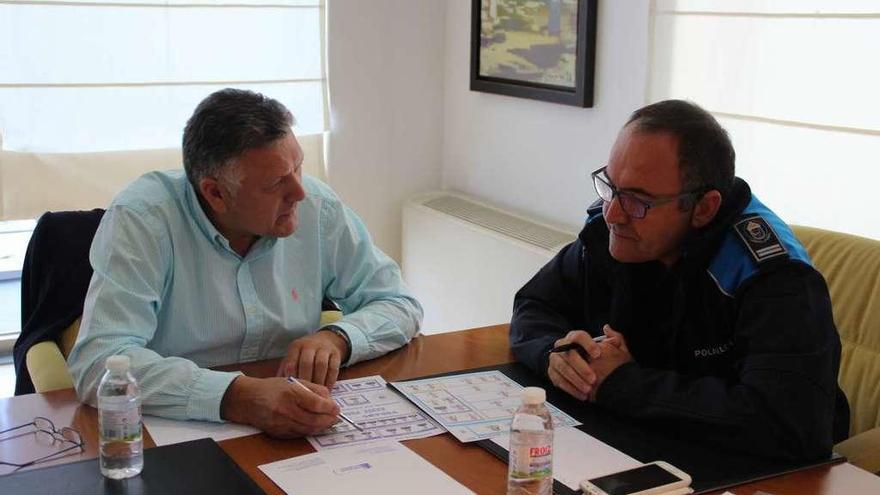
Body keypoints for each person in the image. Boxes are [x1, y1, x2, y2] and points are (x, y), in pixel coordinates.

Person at [68, 89, 423, 438]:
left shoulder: (317, 206)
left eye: (299, 167)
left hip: (297, 419)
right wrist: (235, 397)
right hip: (175, 431)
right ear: (216, 193)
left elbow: (399, 303)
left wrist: (339, 337)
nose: (300, 192)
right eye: (275, 183)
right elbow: (100, 362)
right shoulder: (143, 220)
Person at [509, 100, 849, 460]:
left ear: (703, 208)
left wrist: (620, 383)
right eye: (610, 186)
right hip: (638, 438)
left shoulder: (773, 276)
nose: (612, 213)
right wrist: (556, 355)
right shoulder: (613, 233)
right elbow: (534, 305)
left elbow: (789, 425)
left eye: (639, 200)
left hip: (746, 467)